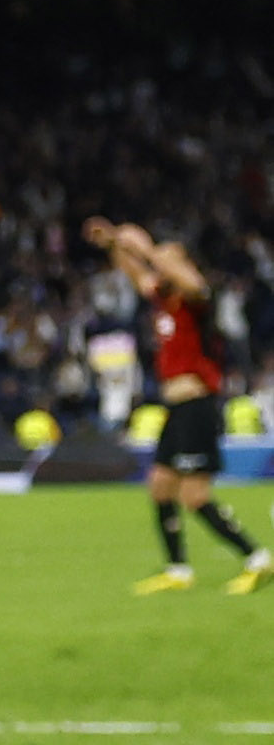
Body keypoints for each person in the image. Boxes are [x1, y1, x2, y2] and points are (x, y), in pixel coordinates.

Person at [87, 218, 269, 595]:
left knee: (194, 496)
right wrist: (114, 242)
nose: (160, 262)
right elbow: (136, 272)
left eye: (170, 257)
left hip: (196, 404)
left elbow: (188, 280)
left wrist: (146, 248)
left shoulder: (196, 299)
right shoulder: (164, 298)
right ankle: (178, 570)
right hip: (177, 408)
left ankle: (257, 558)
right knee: (159, 486)